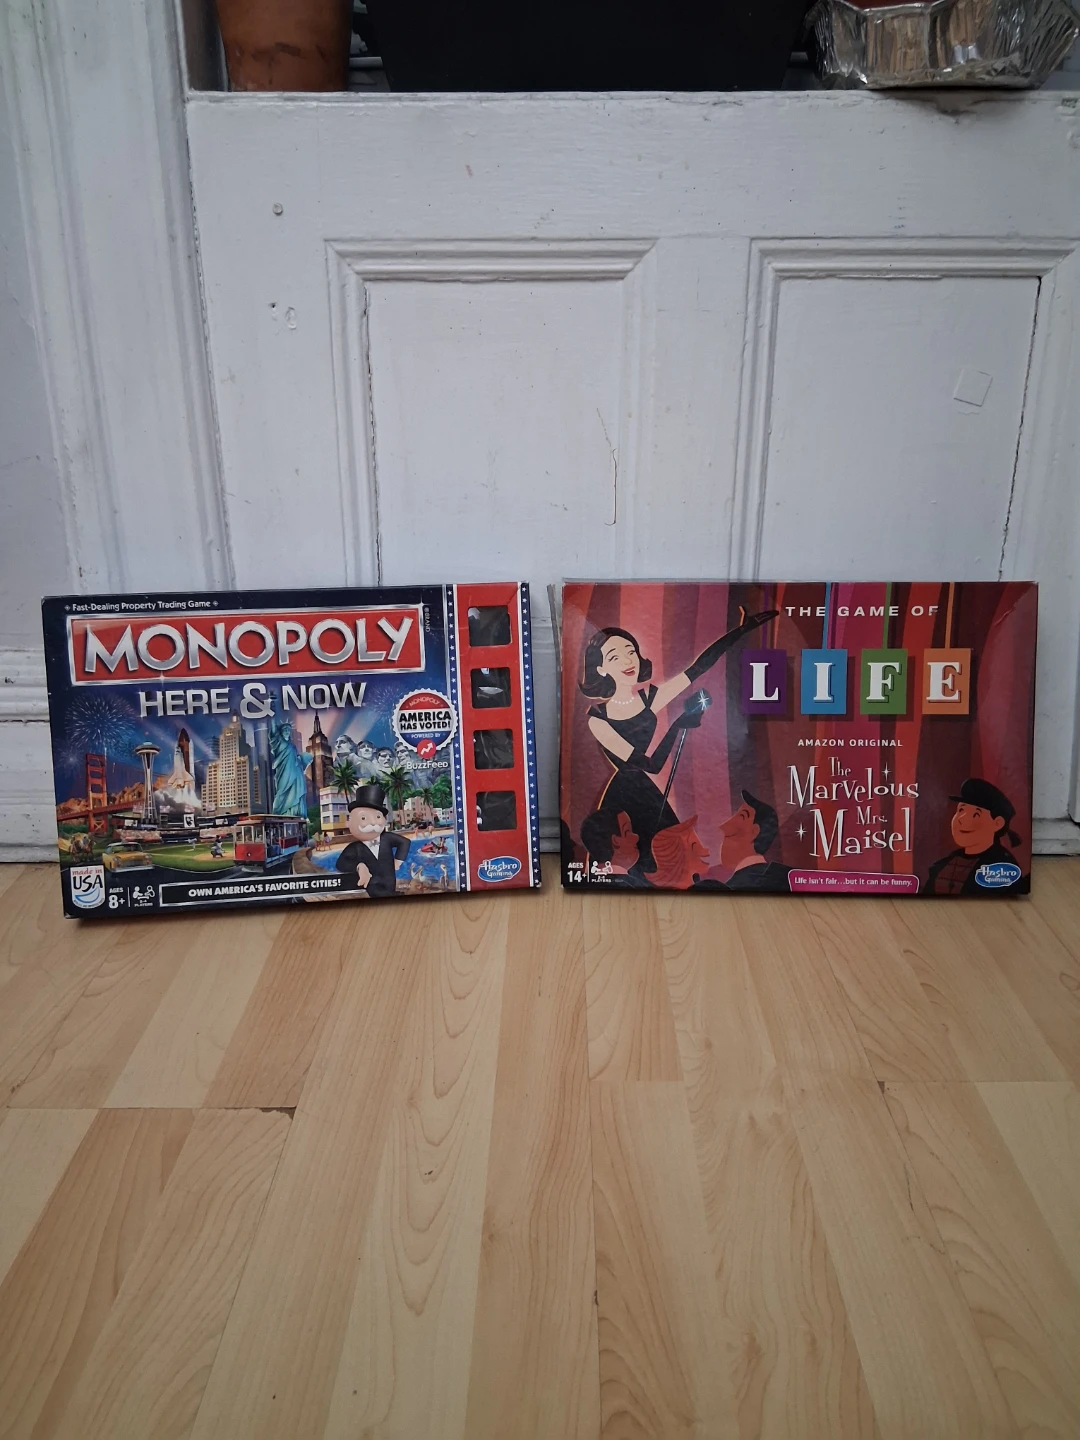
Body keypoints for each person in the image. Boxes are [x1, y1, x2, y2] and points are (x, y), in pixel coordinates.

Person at [578, 606, 776, 876]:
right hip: (623, 798)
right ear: (601, 669)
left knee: (670, 861)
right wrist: (678, 726)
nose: (627, 661)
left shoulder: (649, 698)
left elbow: (698, 668)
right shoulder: (598, 718)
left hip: (646, 790)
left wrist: (741, 631)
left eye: (630, 651)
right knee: (633, 862)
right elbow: (649, 764)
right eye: (615, 656)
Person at [925, 778, 1025, 895]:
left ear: (997, 823)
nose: (961, 819)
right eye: (961, 810)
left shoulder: (1003, 867)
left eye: (976, 814)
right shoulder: (943, 865)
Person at [707, 789, 791, 892]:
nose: (724, 826)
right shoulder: (788, 876)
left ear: (754, 831)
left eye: (741, 816)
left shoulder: (731, 888)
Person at [335, 783, 409, 897]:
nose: (373, 822)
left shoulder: (387, 838)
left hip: (390, 885)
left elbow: (405, 842)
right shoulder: (355, 847)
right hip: (371, 888)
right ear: (349, 823)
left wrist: (398, 861)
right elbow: (341, 863)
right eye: (363, 818)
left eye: (378, 817)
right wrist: (359, 866)